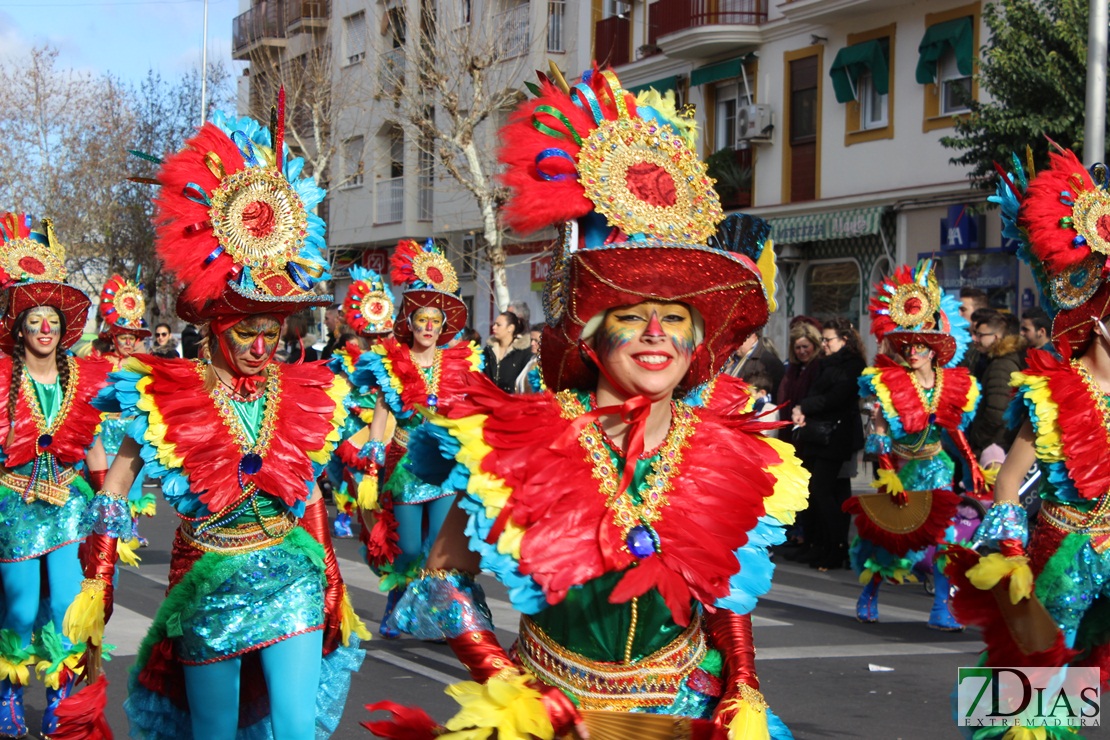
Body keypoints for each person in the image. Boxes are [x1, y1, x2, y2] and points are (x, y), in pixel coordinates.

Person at [365, 65, 806, 740]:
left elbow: (725, 592)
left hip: (685, 710)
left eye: (676, 316)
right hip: (553, 711)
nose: (656, 332)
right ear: (593, 334)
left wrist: (741, 684)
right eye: (632, 313)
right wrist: (506, 688)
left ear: (698, 342)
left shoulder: (731, 446)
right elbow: (445, 579)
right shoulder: (520, 438)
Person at [64, 109, 367, 739]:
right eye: (245, 331)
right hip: (206, 577)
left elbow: (305, 490)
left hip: (290, 574)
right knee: (213, 731)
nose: (261, 346)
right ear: (213, 329)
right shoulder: (162, 390)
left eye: (271, 331)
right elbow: (116, 490)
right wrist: (97, 582)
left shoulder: (308, 391)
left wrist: (331, 576)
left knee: (294, 726)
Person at [947, 146, 1110, 716]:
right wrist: (1011, 552)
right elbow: (1009, 482)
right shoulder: (1052, 390)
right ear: (1098, 323)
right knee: (1035, 696)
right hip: (1060, 550)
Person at [0, 213, 111, 737]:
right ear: (19, 327)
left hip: (68, 505)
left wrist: (113, 502)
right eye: (34, 320)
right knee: (20, 610)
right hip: (14, 507)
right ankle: (8, 691)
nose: (44, 329)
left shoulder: (82, 378)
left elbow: (92, 441)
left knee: (70, 610)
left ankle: (62, 701)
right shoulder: (2, 379)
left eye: (52, 320)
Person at [352, 238, 481, 639]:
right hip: (406, 465)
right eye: (422, 320)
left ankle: (438, 614)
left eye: (435, 322)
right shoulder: (391, 361)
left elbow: (468, 409)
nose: (428, 328)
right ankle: (399, 596)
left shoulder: (459, 362)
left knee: (440, 552)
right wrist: (372, 466)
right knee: (408, 548)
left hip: (442, 466)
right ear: (411, 322)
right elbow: (381, 416)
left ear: (444, 327)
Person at [847, 259, 983, 630]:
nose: (913, 351)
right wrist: (886, 463)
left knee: (947, 538)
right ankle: (870, 591)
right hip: (903, 470)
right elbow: (877, 439)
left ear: (935, 347)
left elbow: (956, 432)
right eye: (907, 345)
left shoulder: (957, 384)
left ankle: (941, 607)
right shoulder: (887, 382)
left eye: (921, 345)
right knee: (891, 541)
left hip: (938, 468)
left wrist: (972, 465)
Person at [326, 265, 396, 540]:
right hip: (352, 423)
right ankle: (346, 514)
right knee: (349, 474)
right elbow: (339, 387)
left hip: (387, 422)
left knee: (383, 477)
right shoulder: (345, 358)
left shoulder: (393, 354)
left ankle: (382, 519)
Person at [790, 317, 866, 571]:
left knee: (822, 490)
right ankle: (825, 546)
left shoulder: (852, 364)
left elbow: (836, 398)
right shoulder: (825, 363)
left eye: (828, 340)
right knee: (827, 492)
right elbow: (814, 393)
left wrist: (806, 406)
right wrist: (802, 407)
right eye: (823, 339)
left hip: (837, 435)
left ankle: (837, 547)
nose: (824, 344)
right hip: (819, 434)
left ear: (843, 341)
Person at [94, 273, 156, 548]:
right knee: (109, 481)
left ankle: (131, 528)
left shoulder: (141, 365)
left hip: (131, 430)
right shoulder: (100, 363)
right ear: (113, 337)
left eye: (132, 337)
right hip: (108, 432)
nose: (128, 342)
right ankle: (108, 531)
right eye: (123, 337)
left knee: (136, 481)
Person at [967, 310, 1026, 456]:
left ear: (996, 337)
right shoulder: (999, 360)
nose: (975, 339)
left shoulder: (1001, 366)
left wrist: (978, 439)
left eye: (980, 335)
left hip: (995, 447)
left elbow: (996, 413)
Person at [722, 331, 785, 401]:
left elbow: (777, 397)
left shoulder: (769, 362)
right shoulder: (732, 359)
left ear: (753, 337)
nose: (733, 344)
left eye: (738, 339)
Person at [483, 310, 531, 393]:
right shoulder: (488, 349)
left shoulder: (523, 351)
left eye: (498, 325)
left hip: (513, 400)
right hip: (490, 399)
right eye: (494, 324)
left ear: (510, 328)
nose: (494, 327)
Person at [514, 322, 544, 394]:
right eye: (531, 340)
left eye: (536, 340)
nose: (532, 343)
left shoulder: (546, 365)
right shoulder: (532, 360)